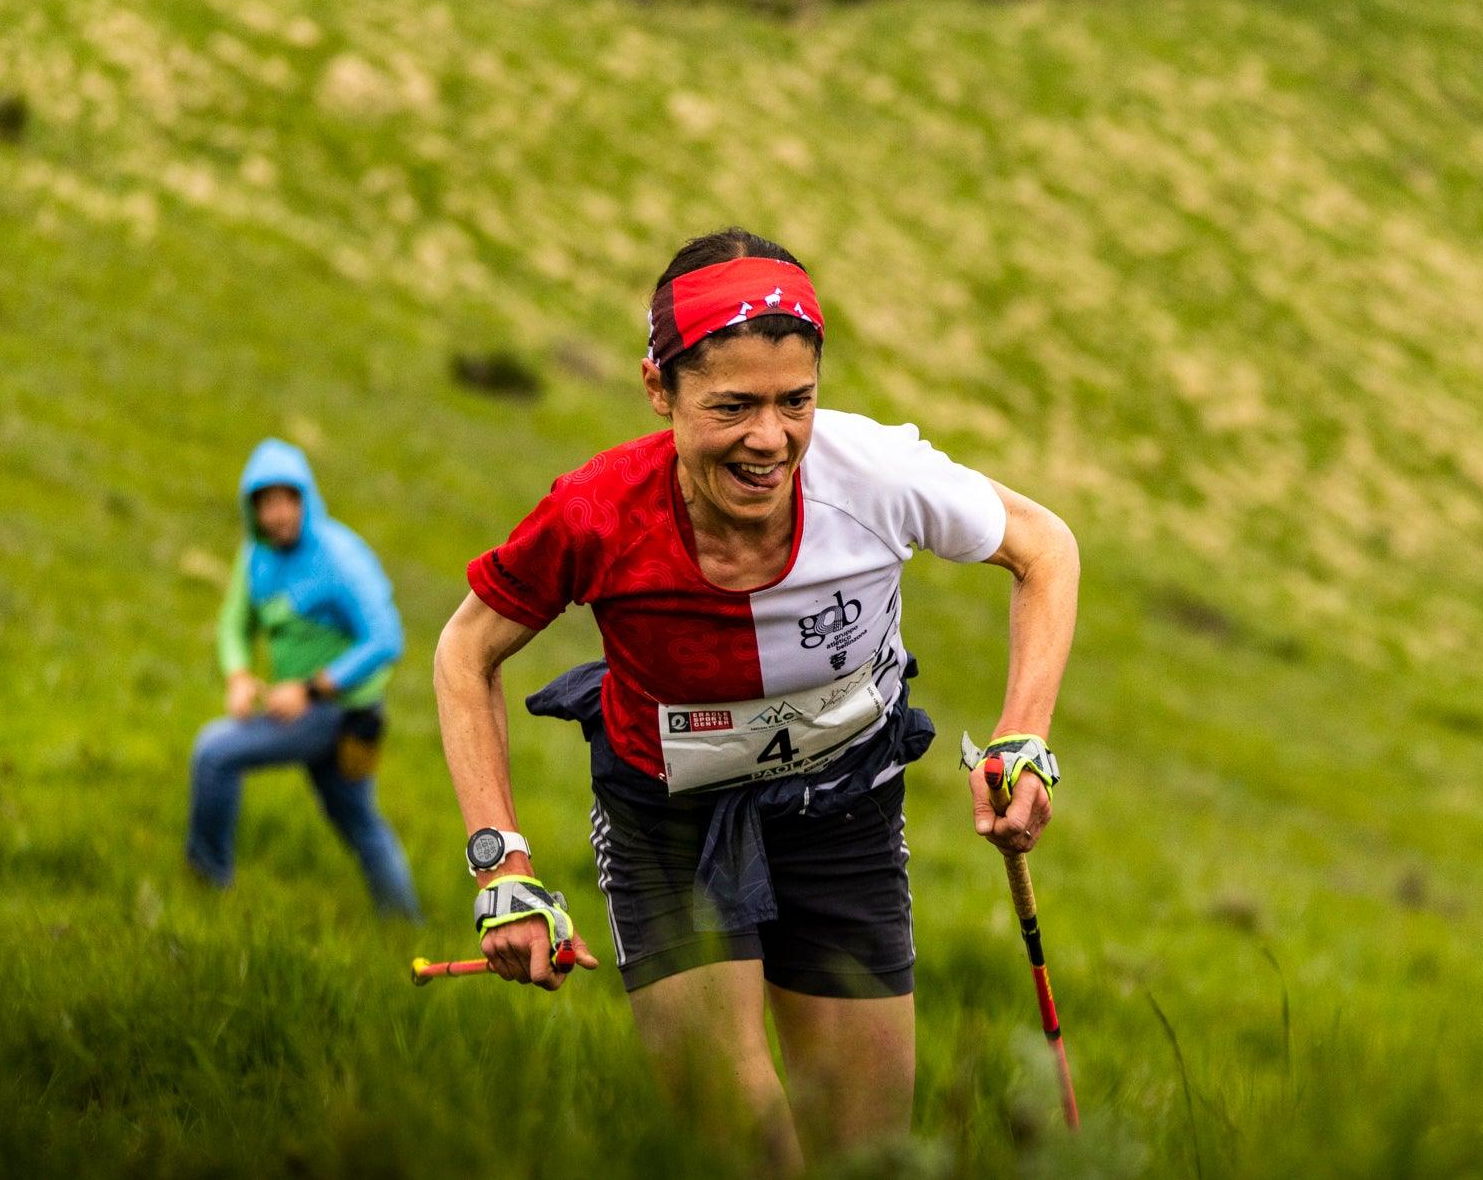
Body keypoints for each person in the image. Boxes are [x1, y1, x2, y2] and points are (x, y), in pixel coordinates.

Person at [433, 229, 1078, 1168]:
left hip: (843, 813)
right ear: (660, 391)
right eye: (732, 406)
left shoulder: (876, 476)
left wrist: (1023, 740)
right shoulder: (597, 513)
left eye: (795, 402)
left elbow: (1045, 546)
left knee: (867, 1156)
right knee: (745, 1155)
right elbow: (464, 653)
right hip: (669, 823)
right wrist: (504, 870)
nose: (770, 440)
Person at [188, 439, 419, 918]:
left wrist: (310, 689)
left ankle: (205, 888)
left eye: (286, 500)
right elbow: (235, 623)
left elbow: (385, 638)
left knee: (214, 754)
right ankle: (405, 925)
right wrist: (238, 674)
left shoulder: (341, 558)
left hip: (339, 714)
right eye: (265, 503)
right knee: (356, 819)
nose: (277, 515)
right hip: (300, 707)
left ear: (305, 498)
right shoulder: (255, 557)